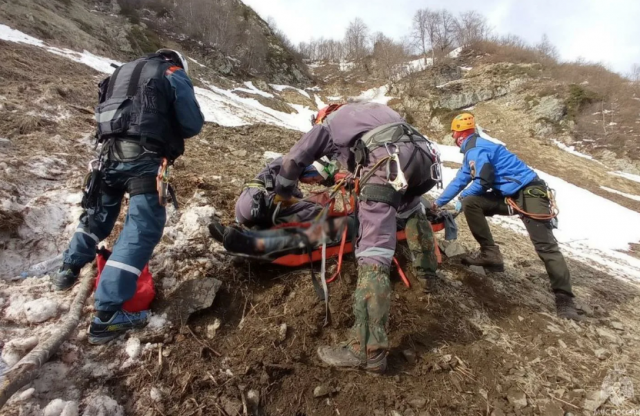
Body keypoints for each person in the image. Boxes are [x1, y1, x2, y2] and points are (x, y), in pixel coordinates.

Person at [273, 102, 442, 372]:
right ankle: (428, 278)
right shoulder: (368, 112)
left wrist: (283, 191)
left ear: (322, 117)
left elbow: (295, 158)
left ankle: (367, 349)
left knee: (374, 247)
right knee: (411, 209)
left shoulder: (328, 125)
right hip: (423, 158)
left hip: (387, 158)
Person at [53, 49, 204, 344]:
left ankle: (68, 268)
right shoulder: (172, 73)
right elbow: (192, 123)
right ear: (177, 62)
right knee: (142, 227)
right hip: (144, 159)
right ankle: (108, 314)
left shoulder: (121, 72)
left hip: (107, 156)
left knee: (98, 214)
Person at [433, 113, 580, 321]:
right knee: (471, 202)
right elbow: (460, 180)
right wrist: (437, 203)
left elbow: (483, 180)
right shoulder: (472, 152)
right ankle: (490, 255)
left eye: (453, 133)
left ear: (458, 134)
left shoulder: (478, 149)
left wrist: (463, 196)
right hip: (509, 196)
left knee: (545, 246)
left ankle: (565, 299)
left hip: (529, 192)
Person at [234, 156, 337, 228]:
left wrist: (306, 199)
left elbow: (295, 195)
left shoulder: (286, 166)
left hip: (242, 207)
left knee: (307, 205)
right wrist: (311, 201)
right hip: (257, 208)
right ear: (311, 168)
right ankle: (275, 231)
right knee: (318, 210)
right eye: (314, 179)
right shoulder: (291, 166)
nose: (312, 183)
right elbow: (282, 198)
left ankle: (256, 229)